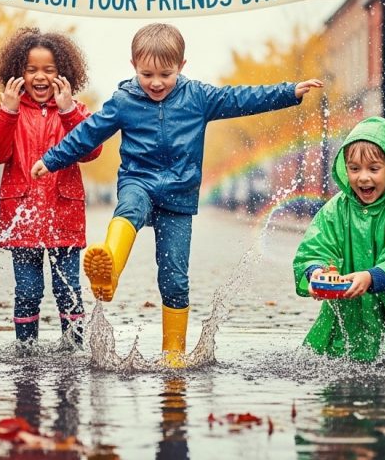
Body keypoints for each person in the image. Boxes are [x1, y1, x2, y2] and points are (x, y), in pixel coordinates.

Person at [30, 22, 323, 367]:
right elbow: (88, 133)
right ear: (134, 66)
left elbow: (242, 98)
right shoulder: (124, 101)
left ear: (181, 66)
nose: (155, 82)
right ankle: (109, 266)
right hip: (138, 181)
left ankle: (173, 353)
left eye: (165, 74)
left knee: (174, 277)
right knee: (129, 208)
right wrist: (52, 159)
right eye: (146, 74)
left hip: (179, 196)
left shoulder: (198, 97)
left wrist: (289, 92)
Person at [0, 28, 101, 347]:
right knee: (27, 291)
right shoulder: (8, 109)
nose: (40, 76)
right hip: (22, 215)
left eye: (49, 69)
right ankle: (25, 348)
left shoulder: (74, 109)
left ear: (63, 73)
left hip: (64, 212)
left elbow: (92, 150)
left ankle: (73, 346)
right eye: (31, 69)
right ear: (17, 72)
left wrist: (68, 111)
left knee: (67, 289)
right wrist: (8, 112)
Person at [292, 116, 385, 363]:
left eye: (373, 169)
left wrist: (372, 277)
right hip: (344, 335)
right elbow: (315, 248)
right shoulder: (335, 210)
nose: (363, 177)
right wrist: (315, 273)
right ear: (345, 168)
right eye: (354, 168)